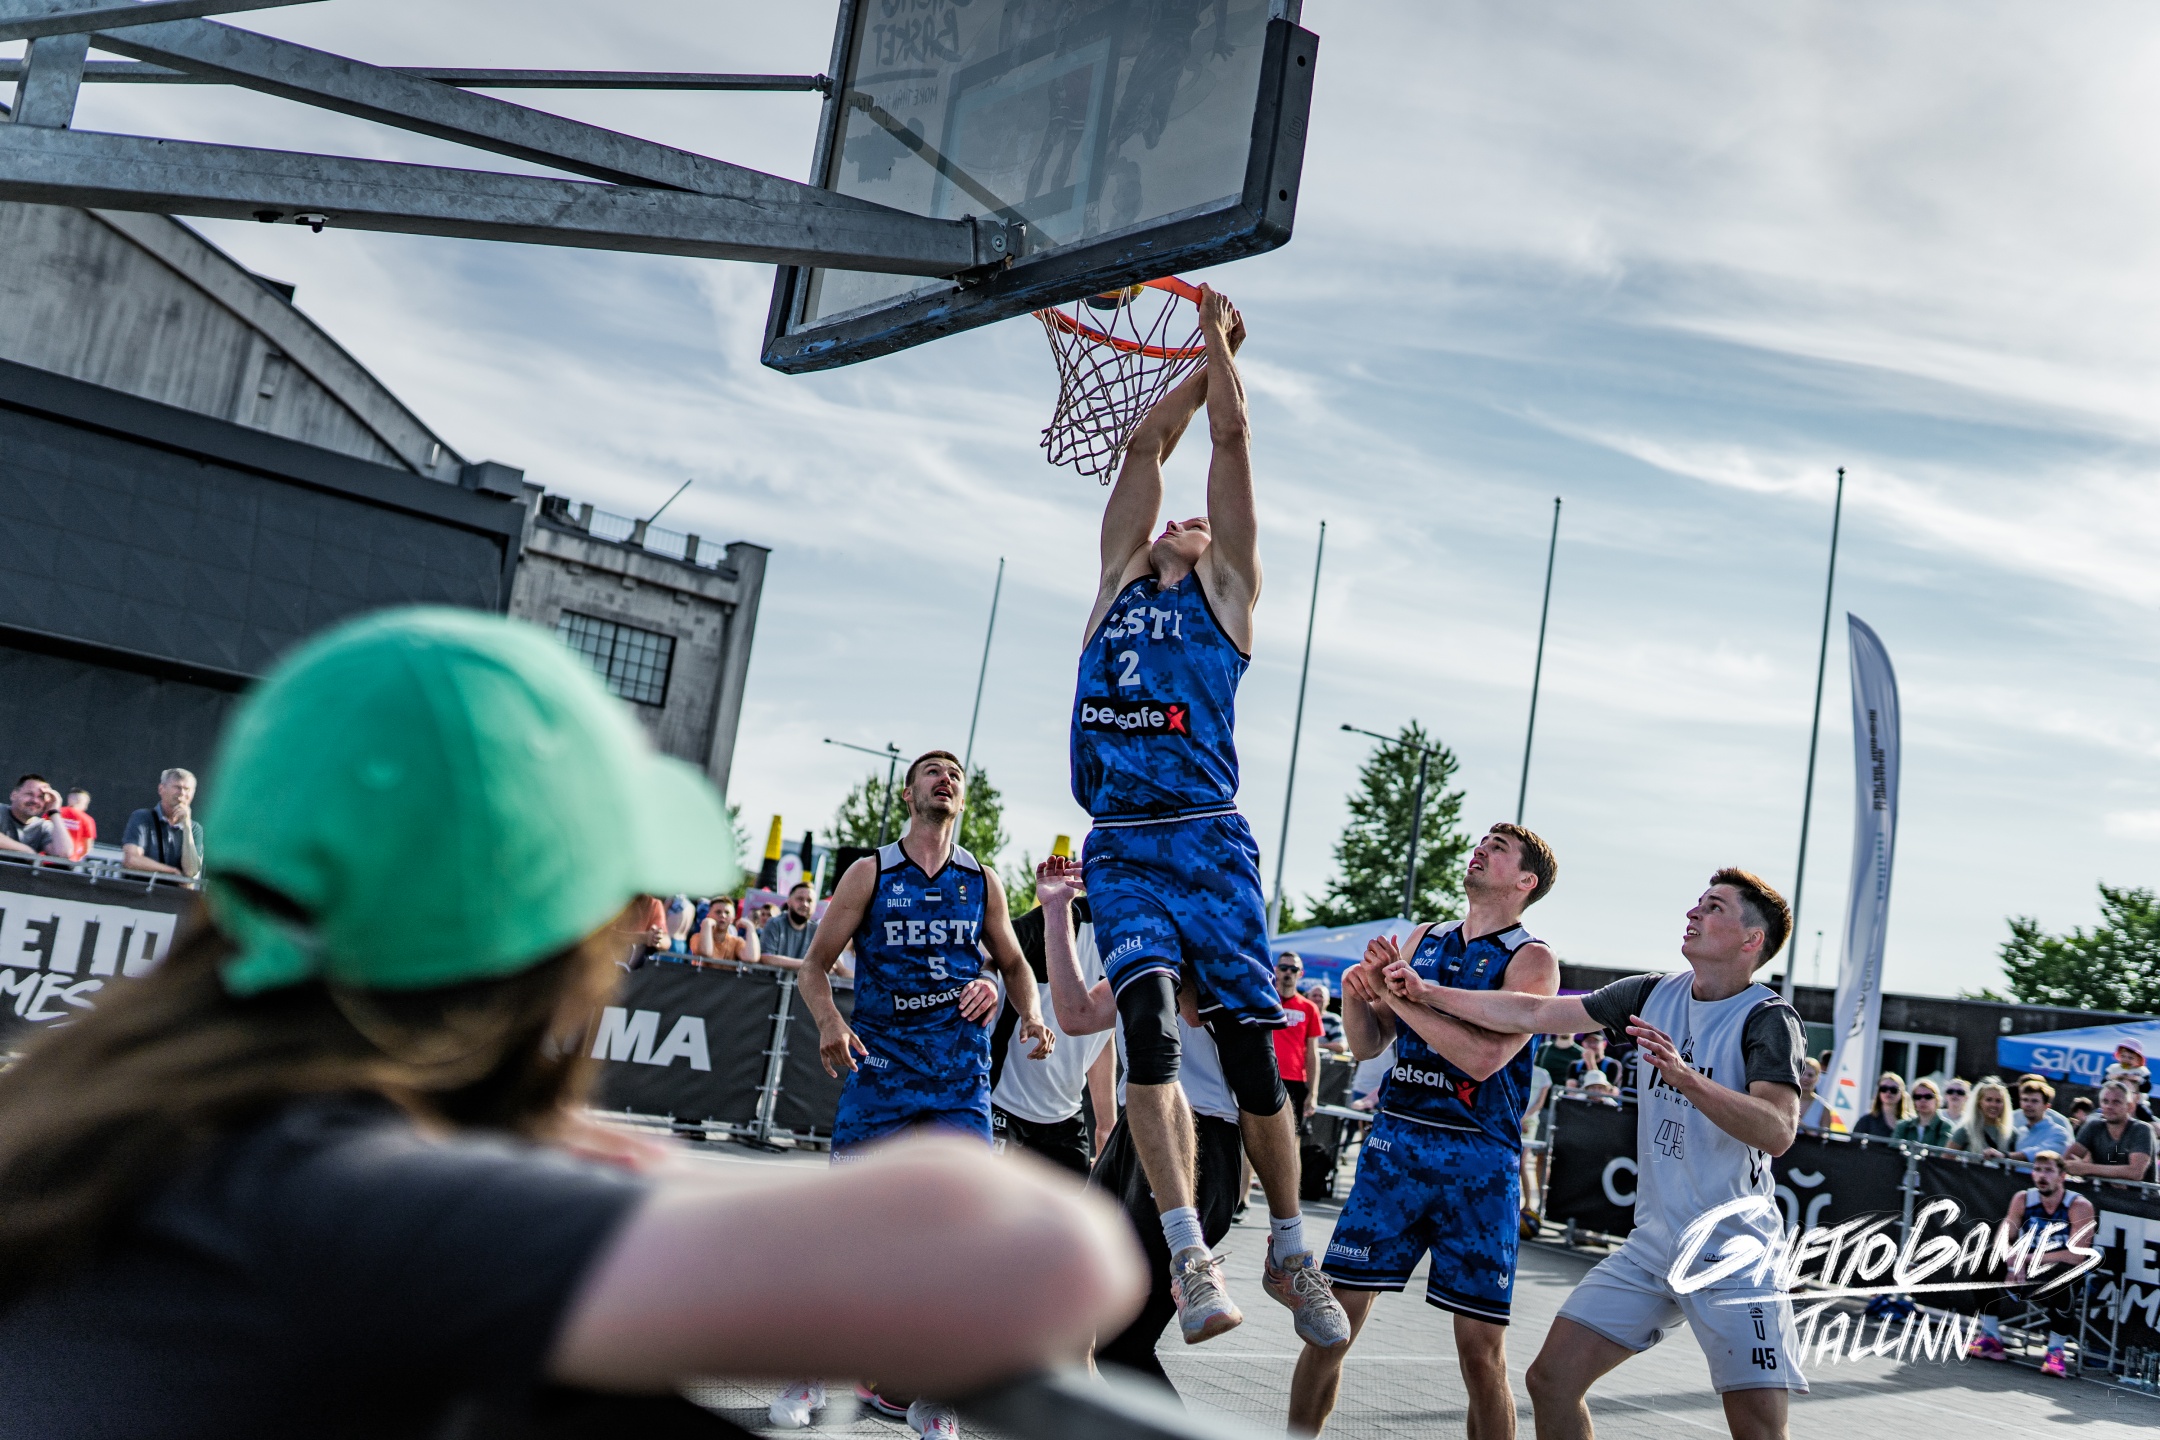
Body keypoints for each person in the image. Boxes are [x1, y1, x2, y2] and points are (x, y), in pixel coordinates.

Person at [0, 608, 1144, 1439]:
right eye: (612, 898)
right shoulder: (351, 1201)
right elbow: (1046, 1258)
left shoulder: (102, 1129)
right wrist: (625, 1178)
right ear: (525, 931)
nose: (642, 923)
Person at [1064, 285, 1347, 1351]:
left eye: (1195, 520)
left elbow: (1229, 441)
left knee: (1253, 1056)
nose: (1181, 517)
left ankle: (1288, 1246)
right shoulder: (1114, 589)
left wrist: (1223, 352)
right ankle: (1188, 1250)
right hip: (1125, 846)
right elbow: (1145, 447)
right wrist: (1194, 359)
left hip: (1207, 836)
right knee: (1144, 1030)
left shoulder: (1226, 595)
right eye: (1170, 519)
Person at [1408, 868, 1810, 1440]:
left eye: (1714, 907)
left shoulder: (1768, 1018)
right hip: (1654, 1246)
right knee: (1551, 1380)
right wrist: (1427, 993)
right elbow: (1533, 1013)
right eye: (1697, 902)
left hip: (1734, 1253)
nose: (1693, 913)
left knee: (1759, 1431)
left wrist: (1686, 1078)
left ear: (1752, 940)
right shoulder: (1650, 994)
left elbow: (1777, 1130)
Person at [783, 751, 1058, 1437]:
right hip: (881, 1069)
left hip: (958, 1078)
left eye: (955, 773)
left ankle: (935, 1396)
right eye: (933, 771)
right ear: (910, 794)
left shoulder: (981, 879)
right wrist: (831, 1023)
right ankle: (809, 1370)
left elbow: (1015, 962)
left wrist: (1027, 1011)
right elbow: (813, 968)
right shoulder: (871, 872)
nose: (946, 778)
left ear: (962, 798)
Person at [1289, 824, 1560, 1438]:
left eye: (1498, 848)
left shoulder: (1532, 958)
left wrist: (1404, 997)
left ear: (1526, 881)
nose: (1480, 849)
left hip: (1478, 1165)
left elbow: (1484, 1059)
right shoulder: (1424, 939)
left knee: (1480, 1354)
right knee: (1329, 1326)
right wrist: (1358, 995)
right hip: (1397, 1151)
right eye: (1482, 841)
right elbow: (1368, 1045)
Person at [1033, 855, 1249, 1394]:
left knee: (1121, 1346)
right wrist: (1056, 910)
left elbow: (1193, 1010)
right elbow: (1077, 1015)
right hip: (1137, 1131)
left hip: (1196, 1140)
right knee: (1074, 1301)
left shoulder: (1209, 937)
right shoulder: (1143, 948)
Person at [991, 879, 1117, 1177]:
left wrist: (1105, 1125)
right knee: (988, 1203)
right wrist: (1026, 1011)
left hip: (1064, 1116)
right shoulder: (1066, 919)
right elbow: (990, 946)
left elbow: (1102, 1035)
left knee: (1076, 1205)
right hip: (1002, 1103)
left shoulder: (1138, 942)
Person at [1966, 1152, 2097, 1377]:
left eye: (2049, 1171)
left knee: (2063, 1278)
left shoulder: (2078, 1205)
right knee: (1984, 1260)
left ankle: (2056, 1351)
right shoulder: (2023, 1199)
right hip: (2024, 1266)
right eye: (2037, 1170)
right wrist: (2011, 1261)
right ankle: (1991, 1336)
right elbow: (2003, 1238)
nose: (2042, 1176)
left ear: (2062, 1176)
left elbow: (2077, 1257)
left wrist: (2025, 1259)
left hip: (2060, 1268)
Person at [1273, 953, 1325, 1135]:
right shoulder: (1265, 1001)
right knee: (1258, 1136)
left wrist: (1313, 1093)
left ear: (1300, 973)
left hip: (1295, 1081)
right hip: (1266, 1076)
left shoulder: (1309, 1008)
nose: (1288, 972)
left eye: (1293, 969)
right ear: (1276, 970)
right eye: (1283, 968)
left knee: (1292, 1137)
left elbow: (1312, 1052)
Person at [2065, 1079, 2154, 1183]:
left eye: (2116, 1102)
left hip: (2137, 1193)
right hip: (2098, 1190)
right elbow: (2066, 1162)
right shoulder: (2093, 1126)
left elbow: (2135, 1172)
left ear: (2130, 1106)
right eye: (2105, 1101)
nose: (2109, 1106)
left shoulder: (2141, 1129)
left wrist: (2086, 1168)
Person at [122, 767, 203, 879]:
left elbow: (191, 871)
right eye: (177, 787)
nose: (182, 793)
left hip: (172, 891)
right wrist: (172, 872)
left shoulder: (195, 829)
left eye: (187, 789)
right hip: (141, 888)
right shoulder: (142, 818)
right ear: (161, 789)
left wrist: (187, 827)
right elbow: (132, 860)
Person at [0, 774, 68, 858]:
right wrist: (26, 850)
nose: (35, 800)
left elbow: (63, 853)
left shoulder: (43, 827)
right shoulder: (1, 810)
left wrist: (54, 812)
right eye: (29, 794)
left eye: (41, 797)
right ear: (14, 795)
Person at [1946, 1078, 2017, 1157]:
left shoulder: (2011, 1134)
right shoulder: (1966, 1130)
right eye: (1989, 1100)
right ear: (1979, 1102)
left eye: (1998, 1101)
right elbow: (1946, 1158)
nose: (1993, 1105)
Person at [2011, 1076, 2076, 1159]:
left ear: (2047, 1106)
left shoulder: (2059, 1133)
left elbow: (2040, 1154)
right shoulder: (2020, 1132)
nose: (2028, 1105)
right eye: (2025, 1100)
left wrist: (2007, 1155)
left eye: (2034, 1101)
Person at [759, 882, 819, 966]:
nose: (805, 904)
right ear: (789, 901)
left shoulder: (817, 931)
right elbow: (766, 958)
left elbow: (828, 964)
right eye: (800, 899)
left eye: (809, 901)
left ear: (815, 906)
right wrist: (808, 965)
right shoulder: (774, 923)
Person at [692, 895, 760, 965]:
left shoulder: (736, 942)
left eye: (727, 913)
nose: (723, 915)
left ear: (732, 919)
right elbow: (706, 953)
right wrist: (706, 923)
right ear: (708, 915)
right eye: (718, 912)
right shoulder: (697, 938)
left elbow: (751, 957)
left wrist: (750, 927)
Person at [1891, 1078, 1953, 1146]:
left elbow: (1942, 1151)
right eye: (1918, 1097)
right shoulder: (1902, 1126)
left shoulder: (1945, 1127)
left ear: (1937, 1100)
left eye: (1928, 1096)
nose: (1923, 1100)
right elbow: (1893, 1149)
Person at [1853, 1071, 1910, 1138]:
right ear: (1878, 1092)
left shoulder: (1910, 1123)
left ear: (1902, 1094)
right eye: (1883, 1089)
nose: (1888, 1092)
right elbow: (1853, 1143)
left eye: (1893, 1090)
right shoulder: (1867, 1120)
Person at [1307, 982, 1349, 1056]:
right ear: (1307, 998)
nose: (1317, 998)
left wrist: (1315, 1046)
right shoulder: (1300, 1017)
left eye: (1321, 996)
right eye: (1314, 995)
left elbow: (1341, 1046)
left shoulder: (1333, 1019)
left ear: (1328, 1001)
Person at [54, 787, 95, 861]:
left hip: (47, 857)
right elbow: (87, 848)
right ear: (82, 802)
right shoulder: (87, 820)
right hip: (69, 860)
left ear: (69, 799)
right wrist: (77, 857)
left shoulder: (53, 813)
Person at [1795, 1057, 1823, 1129]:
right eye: (1802, 1073)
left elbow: (1824, 1134)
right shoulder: (1785, 1099)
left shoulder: (1823, 1108)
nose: (1805, 1078)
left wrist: (1803, 1126)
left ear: (1817, 1078)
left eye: (1810, 1075)